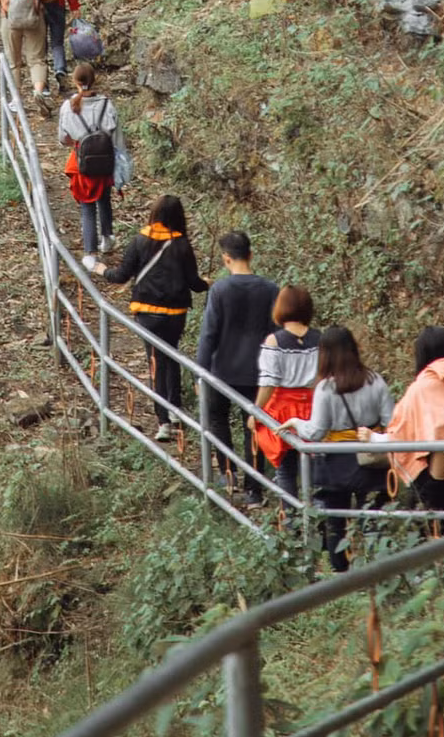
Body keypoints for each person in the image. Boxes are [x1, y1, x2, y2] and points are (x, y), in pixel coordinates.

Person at [284, 326, 394, 572]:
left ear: (325, 354)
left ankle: (339, 573)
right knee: (374, 519)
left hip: (335, 462)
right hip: (371, 459)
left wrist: (295, 423)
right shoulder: (375, 380)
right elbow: (392, 422)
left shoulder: (326, 388)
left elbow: (316, 432)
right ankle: (377, 571)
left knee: (335, 522)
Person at [100, 195, 208, 443]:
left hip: (147, 313)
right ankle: (175, 409)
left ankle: (163, 422)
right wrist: (207, 284)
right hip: (175, 315)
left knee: (156, 363)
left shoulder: (140, 240)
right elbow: (194, 283)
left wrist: (100, 270)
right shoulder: (181, 244)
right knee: (172, 355)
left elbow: (121, 275)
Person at [196, 232, 278, 505]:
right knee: (253, 427)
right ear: (251, 255)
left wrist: (201, 371)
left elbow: (209, 334)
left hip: (222, 370)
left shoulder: (220, 290)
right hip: (258, 372)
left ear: (225, 259)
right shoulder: (271, 289)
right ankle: (255, 490)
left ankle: (227, 475)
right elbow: (276, 334)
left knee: (218, 420)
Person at [377, 326, 444, 519]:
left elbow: (400, 432)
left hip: (436, 474)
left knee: (435, 528)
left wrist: (374, 438)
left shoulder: (419, 388)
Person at [250, 286, 321, 508]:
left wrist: (256, 411)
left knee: (286, 469)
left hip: (282, 408)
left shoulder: (275, 341)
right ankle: (316, 516)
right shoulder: (321, 339)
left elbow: (269, 381)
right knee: (313, 466)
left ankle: (291, 523)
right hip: (313, 406)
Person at [58, 62, 120, 268]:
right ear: (95, 80)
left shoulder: (68, 107)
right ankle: (107, 237)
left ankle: (90, 253)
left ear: (75, 82)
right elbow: (115, 135)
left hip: (82, 162)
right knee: (104, 198)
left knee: (87, 206)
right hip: (105, 160)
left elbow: (63, 138)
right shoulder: (107, 104)